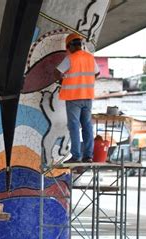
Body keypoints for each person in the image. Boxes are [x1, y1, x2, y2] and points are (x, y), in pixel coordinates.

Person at [55, 33, 100, 164]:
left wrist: (63, 81)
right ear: (81, 45)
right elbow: (97, 73)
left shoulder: (70, 58)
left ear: (70, 46)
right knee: (87, 126)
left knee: (74, 126)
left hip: (74, 97)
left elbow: (56, 73)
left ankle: (76, 156)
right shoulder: (90, 58)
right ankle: (88, 156)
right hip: (87, 97)